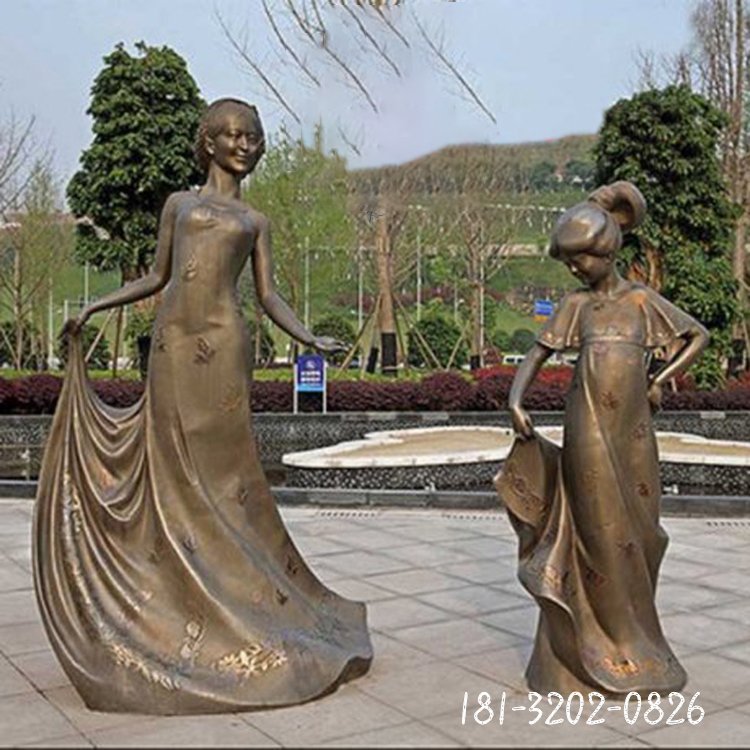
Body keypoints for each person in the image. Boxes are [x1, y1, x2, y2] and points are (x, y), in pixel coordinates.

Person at [32, 98, 372, 715]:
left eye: (253, 137)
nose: (245, 145)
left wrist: (306, 337)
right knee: (169, 467)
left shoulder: (255, 220)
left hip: (225, 347)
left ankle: (239, 596)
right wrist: (95, 307)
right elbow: (156, 277)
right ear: (209, 142)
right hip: (172, 345)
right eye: (233, 135)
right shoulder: (180, 205)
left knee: (227, 475)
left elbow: (268, 296)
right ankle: (173, 597)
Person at [495, 181, 708, 697]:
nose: (574, 269)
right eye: (568, 261)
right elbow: (536, 354)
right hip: (587, 427)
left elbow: (697, 336)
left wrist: (659, 379)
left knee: (641, 531)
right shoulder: (577, 306)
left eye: (580, 259)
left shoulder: (641, 301)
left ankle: (641, 640)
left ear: (607, 250)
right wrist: (516, 400)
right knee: (595, 531)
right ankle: (593, 647)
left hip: (635, 433)